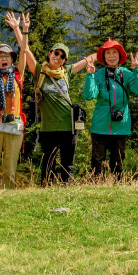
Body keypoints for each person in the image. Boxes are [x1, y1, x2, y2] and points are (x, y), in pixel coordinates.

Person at [0, 11, 36, 190]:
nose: (4, 58)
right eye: (0, 56)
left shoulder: (19, 74)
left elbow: (24, 51)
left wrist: (23, 31)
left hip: (13, 126)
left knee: (10, 168)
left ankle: (9, 197)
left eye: (7, 56)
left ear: (12, 59)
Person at [81, 39, 138, 178]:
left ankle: (116, 191)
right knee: (97, 164)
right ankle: (96, 189)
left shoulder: (127, 74)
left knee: (118, 164)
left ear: (120, 55)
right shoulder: (98, 74)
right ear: (103, 57)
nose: (111, 56)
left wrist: (137, 70)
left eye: (114, 52)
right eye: (108, 53)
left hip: (120, 127)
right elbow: (89, 95)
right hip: (100, 126)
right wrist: (90, 75)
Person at [32, 42, 91, 185]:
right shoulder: (39, 70)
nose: (58, 57)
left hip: (68, 126)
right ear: (50, 53)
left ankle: (67, 190)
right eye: (56, 53)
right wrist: (20, 29)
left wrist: (109, 49)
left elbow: (87, 60)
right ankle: (47, 191)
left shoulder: (67, 71)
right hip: (48, 128)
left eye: (62, 56)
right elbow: (26, 50)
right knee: (48, 163)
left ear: (64, 61)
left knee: (67, 164)